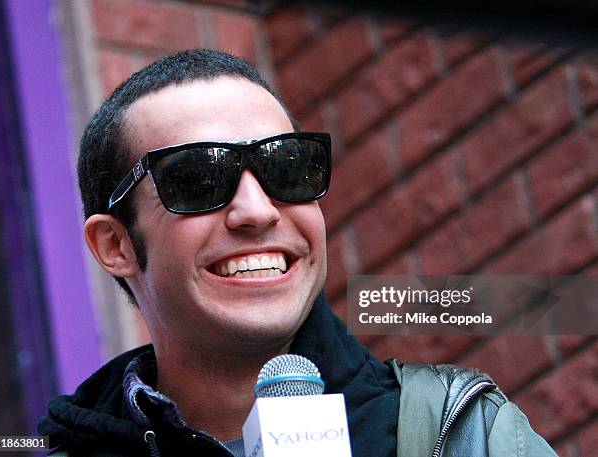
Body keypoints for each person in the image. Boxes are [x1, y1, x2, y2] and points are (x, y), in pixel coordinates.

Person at [38, 49, 556, 456]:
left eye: (287, 167)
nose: (258, 211)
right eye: (198, 179)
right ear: (115, 244)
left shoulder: (463, 431)